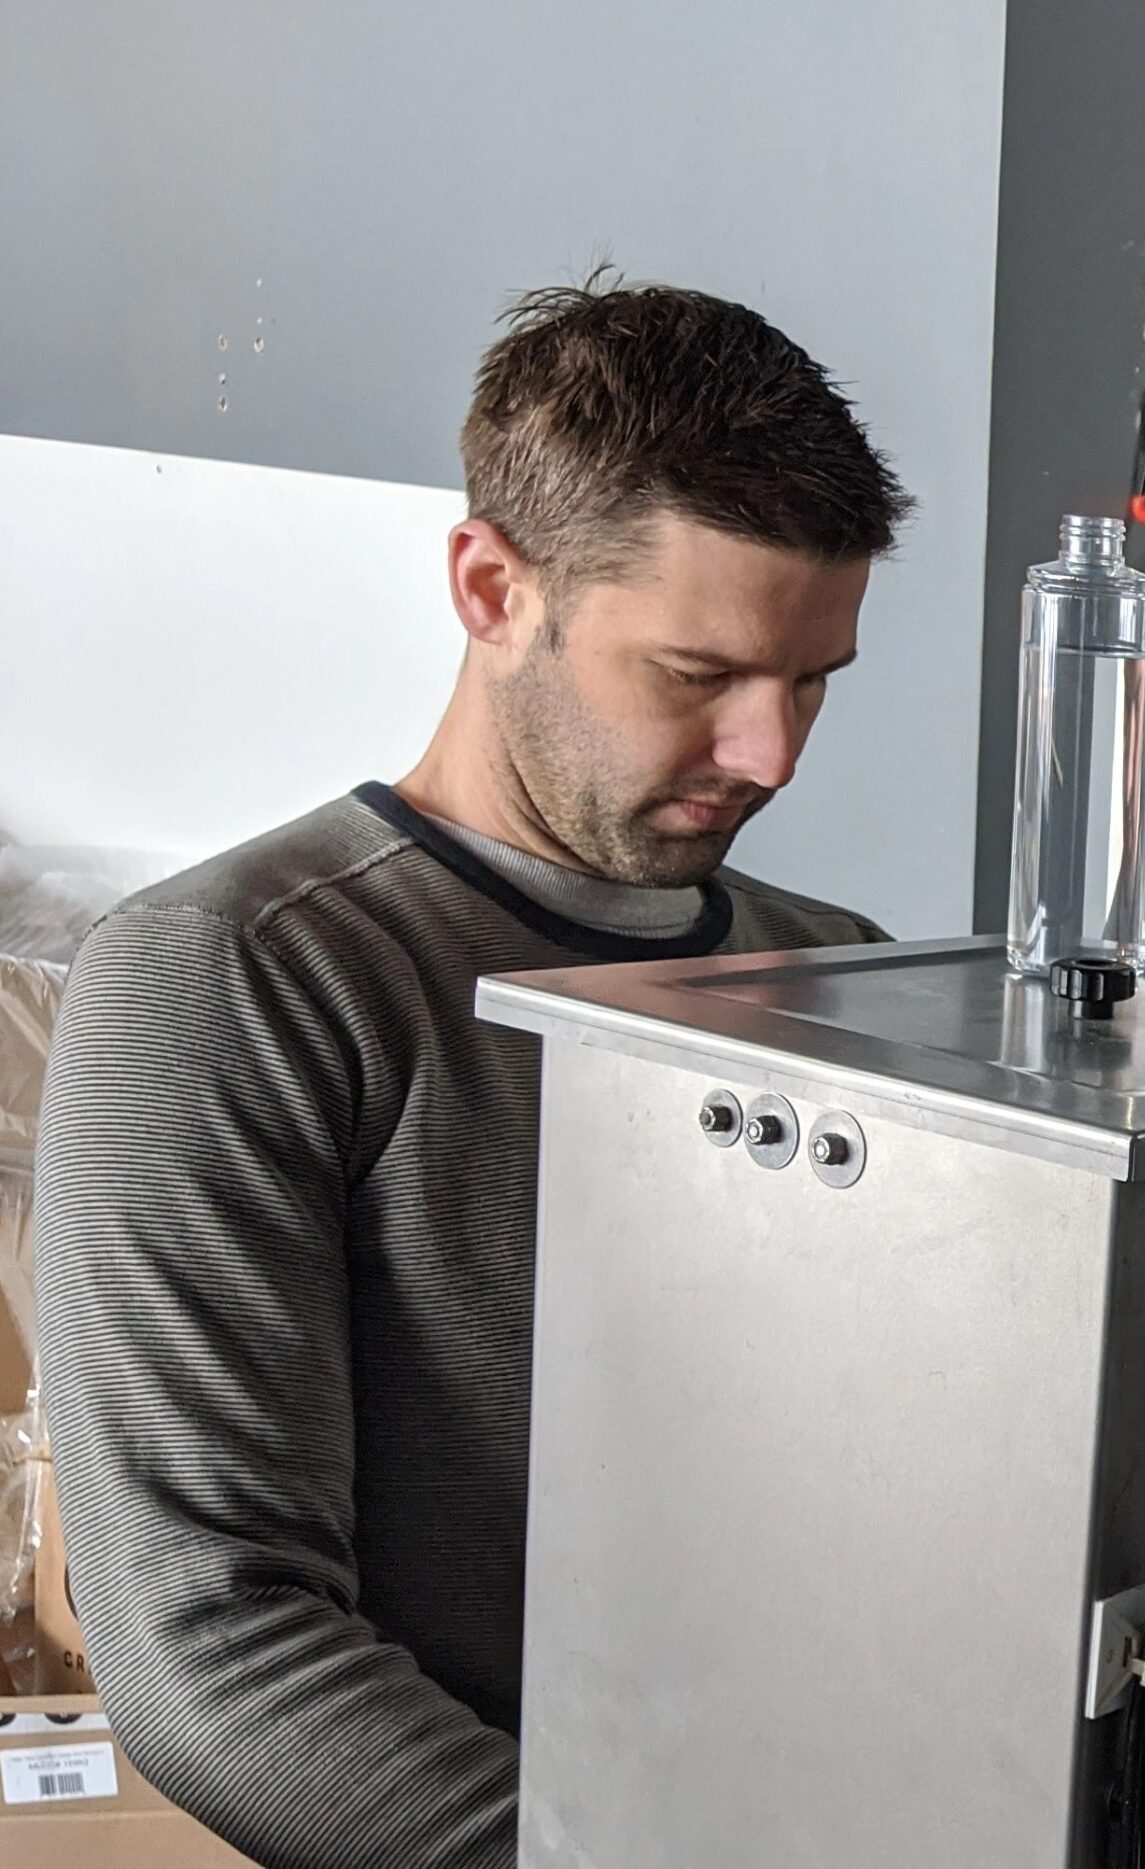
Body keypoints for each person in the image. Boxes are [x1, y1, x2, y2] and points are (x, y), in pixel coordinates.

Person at [34, 279, 910, 1867]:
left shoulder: (844, 966)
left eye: (816, 680)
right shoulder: (236, 979)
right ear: (492, 586)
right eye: (699, 676)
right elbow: (217, 1647)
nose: (773, 755)